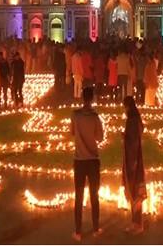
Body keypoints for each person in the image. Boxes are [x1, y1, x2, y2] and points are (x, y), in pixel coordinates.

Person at [71, 87, 104, 241]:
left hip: (79, 161)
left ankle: (78, 231)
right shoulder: (95, 117)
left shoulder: (75, 115)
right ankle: (96, 228)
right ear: (93, 98)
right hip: (92, 160)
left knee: (79, 196)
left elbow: (72, 132)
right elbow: (100, 137)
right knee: (94, 194)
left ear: (82, 97)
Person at [122, 96, 146, 235]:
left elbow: (132, 141)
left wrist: (124, 138)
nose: (124, 110)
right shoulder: (137, 119)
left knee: (134, 190)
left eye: (125, 107)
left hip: (133, 161)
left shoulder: (131, 120)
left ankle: (137, 224)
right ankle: (136, 222)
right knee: (136, 191)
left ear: (128, 107)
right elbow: (138, 134)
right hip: (137, 158)